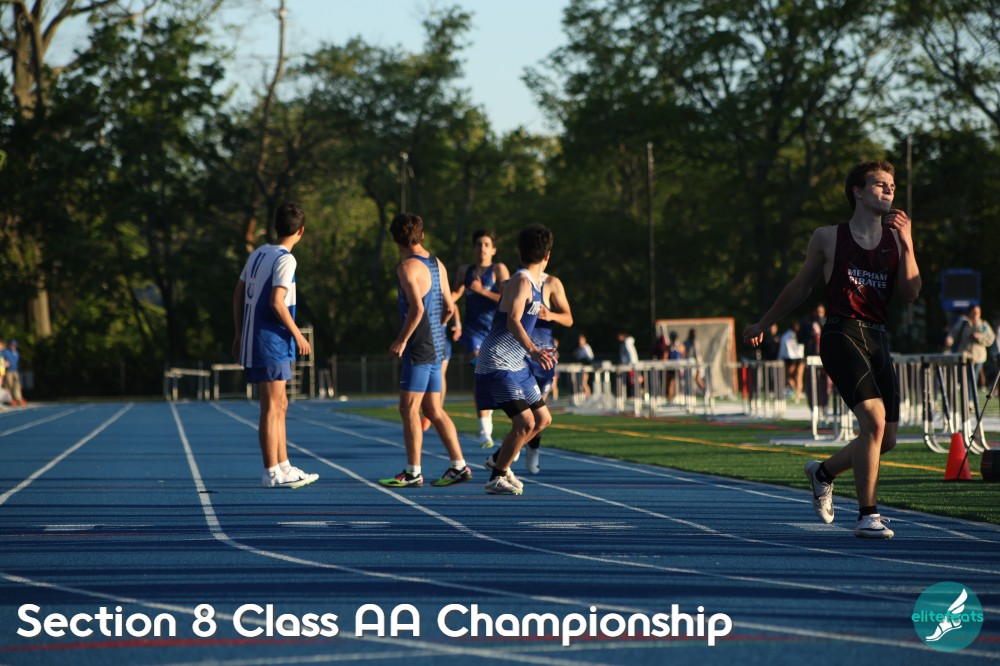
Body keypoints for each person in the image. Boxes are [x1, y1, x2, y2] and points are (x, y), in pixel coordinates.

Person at [743, 159, 921, 539]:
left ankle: (822, 473)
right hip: (842, 332)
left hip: (878, 337)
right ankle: (867, 515)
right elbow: (800, 286)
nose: (889, 190)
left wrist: (907, 243)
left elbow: (910, 293)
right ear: (858, 192)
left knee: (886, 438)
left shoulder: (895, 240)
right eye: (880, 184)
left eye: (892, 185)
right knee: (873, 421)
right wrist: (764, 323)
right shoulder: (828, 237)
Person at [380, 213, 472, 488]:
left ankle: (413, 472)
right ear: (422, 235)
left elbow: (417, 309)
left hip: (419, 347)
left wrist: (402, 340)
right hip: (438, 345)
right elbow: (450, 307)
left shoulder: (406, 268)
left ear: (396, 240)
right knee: (433, 409)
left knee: (408, 408)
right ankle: (459, 465)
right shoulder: (436, 263)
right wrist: (438, 328)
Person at [232, 202, 319, 490]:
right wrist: (298, 335)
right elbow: (276, 302)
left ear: (274, 226)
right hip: (270, 341)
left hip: (262, 339)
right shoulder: (286, 259)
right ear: (301, 231)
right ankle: (271, 471)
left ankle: (283, 465)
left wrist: (239, 333)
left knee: (281, 404)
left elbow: (238, 293)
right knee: (271, 407)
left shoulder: (258, 252)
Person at [475, 224, 555, 495]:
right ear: (547, 256)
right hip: (497, 362)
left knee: (542, 419)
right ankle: (496, 477)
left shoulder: (535, 283)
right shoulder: (521, 281)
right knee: (525, 423)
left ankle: (499, 459)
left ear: (519, 252)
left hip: (516, 364)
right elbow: (512, 321)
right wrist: (533, 350)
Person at [451, 229, 510, 448]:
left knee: (499, 381)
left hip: (497, 332)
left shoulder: (499, 269)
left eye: (486, 245)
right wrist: (442, 306)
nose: (482, 248)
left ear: (493, 249)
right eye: (478, 244)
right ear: (473, 248)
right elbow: (453, 296)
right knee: (480, 371)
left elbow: (508, 298)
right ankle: (485, 432)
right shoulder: (464, 271)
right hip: (473, 332)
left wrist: (482, 291)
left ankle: (511, 426)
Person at [521, 272, 573, 474]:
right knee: (522, 412)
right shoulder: (516, 281)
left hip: (544, 358)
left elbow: (568, 319)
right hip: (521, 355)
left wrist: (551, 315)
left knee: (538, 413)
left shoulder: (551, 283)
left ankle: (532, 448)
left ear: (546, 257)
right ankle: (509, 450)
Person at [945, 305, 996, 391]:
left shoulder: (983, 325)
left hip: (978, 357)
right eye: (974, 312)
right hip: (965, 356)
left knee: (972, 379)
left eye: (978, 312)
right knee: (964, 379)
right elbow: (953, 333)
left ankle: (971, 397)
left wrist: (980, 338)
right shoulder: (964, 323)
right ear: (970, 312)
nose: (976, 314)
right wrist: (950, 339)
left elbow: (991, 339)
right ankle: (966, 395)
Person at [777, 321, 804, 401]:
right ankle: (797, 395)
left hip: (790, 358)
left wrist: (779, 358)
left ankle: (795, 392)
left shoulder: (785, 336)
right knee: (798, 377)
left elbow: (782, 349)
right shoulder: (800, 335)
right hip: (800, 357)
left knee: (790, 377)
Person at [1, 338, 24, 406]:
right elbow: (1, 359)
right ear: (9, 345)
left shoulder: (16, 352)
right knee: (9, 385)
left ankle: (18, 399)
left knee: (17, 385)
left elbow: (16, 362)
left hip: (15, 370)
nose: (13, 346)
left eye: (14, 345)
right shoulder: (5, 352)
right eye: (12, 345)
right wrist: (4, 363)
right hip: (8, 371)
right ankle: (10, 399)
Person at [572, 334, 594, 398]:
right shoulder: (579, 348)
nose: (581, 342)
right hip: (580, 367)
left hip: (585, 367)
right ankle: (584, 396)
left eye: (582, 340)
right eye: (580, 340)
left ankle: (589, 397)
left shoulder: (586, 347)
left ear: (584, 340)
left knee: (584, 383)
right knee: (580, 384)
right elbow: (576, 356)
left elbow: (590, 357)